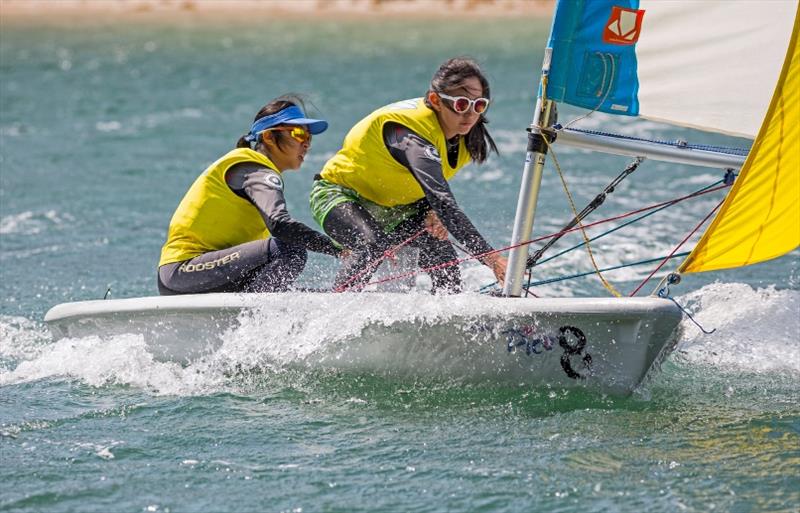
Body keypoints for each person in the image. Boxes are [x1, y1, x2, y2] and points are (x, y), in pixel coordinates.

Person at [310, 57, 508, 293]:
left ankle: (446, 319)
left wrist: (429, 209)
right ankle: (337, 308)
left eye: (478, 106)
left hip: (400, 208)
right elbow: (445, 202)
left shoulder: (466, 139)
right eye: (461, 104)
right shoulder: (408, 134)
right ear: (435, 100)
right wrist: (492, 260)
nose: (469, 115)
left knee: (443, 256)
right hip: (342, 196)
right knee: (373, 246)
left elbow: (425, 187)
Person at [158, 95, 342, 295]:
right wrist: (338, 249)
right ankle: (258, 320)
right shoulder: (254, 169)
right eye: (298, 134)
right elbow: (280, 225)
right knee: (289, 250)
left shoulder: (257, 174)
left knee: (297, 292)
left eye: (309, 138)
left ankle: (259, 318)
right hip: (182, 272)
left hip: (209, 274)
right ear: (269, 137)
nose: (306, 144)